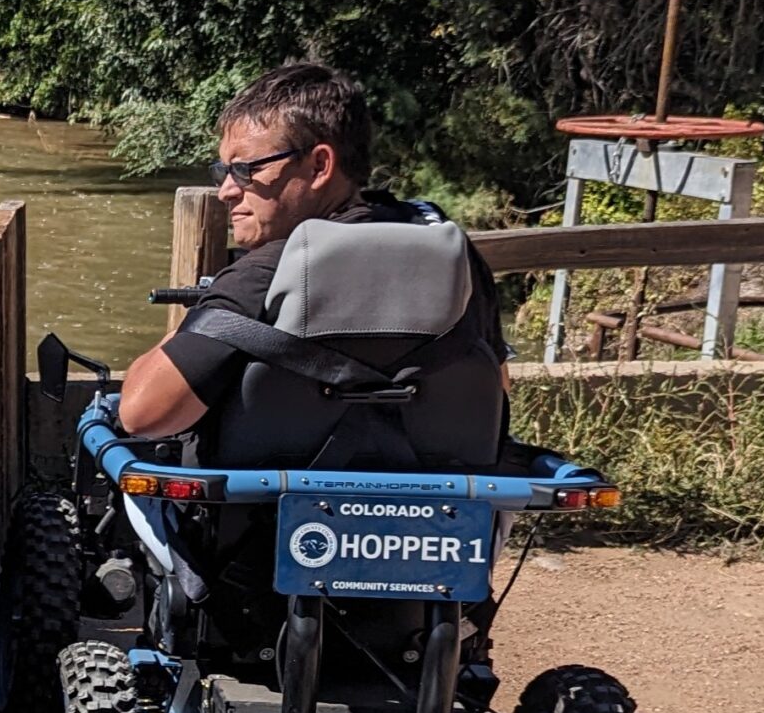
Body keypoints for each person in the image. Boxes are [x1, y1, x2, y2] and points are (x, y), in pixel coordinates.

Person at [116, 62, 507, 445]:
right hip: (445, 500)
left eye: (244, 170)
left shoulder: (266, 272)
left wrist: (192, 324)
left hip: (260, 504)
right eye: (224, 172)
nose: (227, 191)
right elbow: (496, 388)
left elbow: (143, 414)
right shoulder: (453, 255)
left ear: (320, 165)